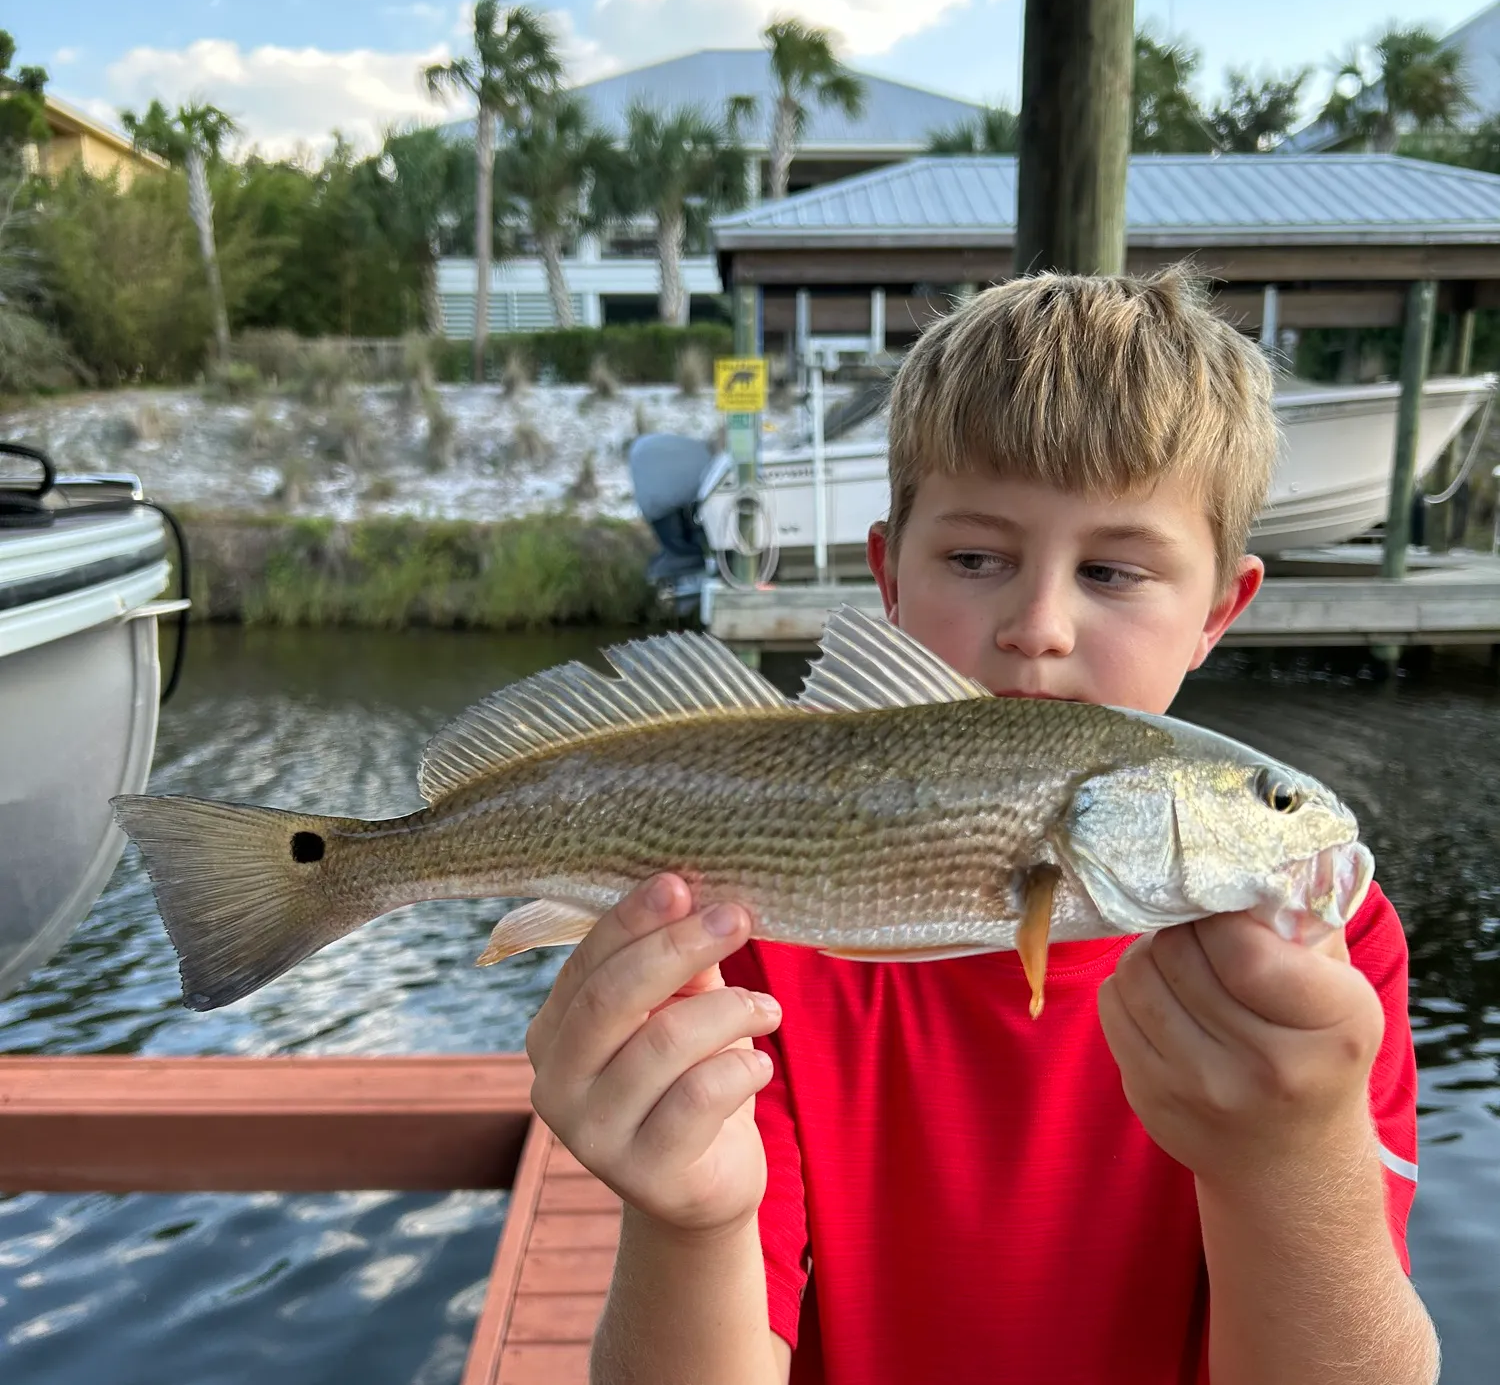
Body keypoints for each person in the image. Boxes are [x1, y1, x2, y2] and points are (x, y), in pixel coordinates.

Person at [525, 269, 1439, 1385]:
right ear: (888, 580)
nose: (1037, 627)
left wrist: (1293, 1163)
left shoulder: (1333, 949)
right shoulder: (743, 933)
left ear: (1220, 612)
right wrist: (691, 1223)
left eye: (1112, 570)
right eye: (974, 559)